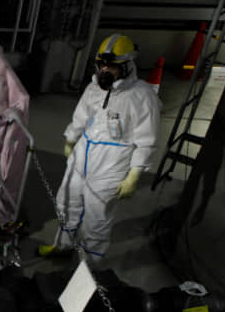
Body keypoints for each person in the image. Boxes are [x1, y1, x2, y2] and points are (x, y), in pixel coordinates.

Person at [38, 33, 160, 260]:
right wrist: (71, 140)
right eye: (101, 65)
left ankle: (88, 265)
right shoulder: (94, 88)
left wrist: (134, 175)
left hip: (112, 163)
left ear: (126, 67)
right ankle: (62, 246)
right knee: (67, 204)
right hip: (82, 154)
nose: (105, 70)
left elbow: (147, 141)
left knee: (97, 218)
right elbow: (80, 116)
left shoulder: (142, 97)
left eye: (111, 66)